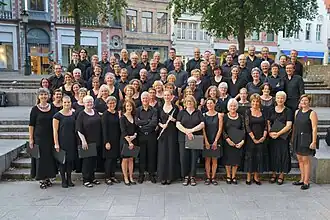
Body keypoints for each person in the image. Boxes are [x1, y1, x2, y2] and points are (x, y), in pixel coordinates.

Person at [29, 88, 57, 189]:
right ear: (38, 97)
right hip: (39, 137)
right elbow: (31, 125)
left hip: (50, 137)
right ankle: (41, 179)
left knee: (49, 157)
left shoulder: (52, 107)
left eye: (45, 94)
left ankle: (49, 178)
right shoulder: (35, 109)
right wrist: (31, 139)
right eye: (42, 95)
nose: (44, 96)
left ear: (48, 96)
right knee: (40, 158)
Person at [176, 95, 205, 186]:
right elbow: (178, 124)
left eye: (191, 102)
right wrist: (187, 132)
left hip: (195, 138)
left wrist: (191, 131)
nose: (189, 103)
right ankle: (185, 176)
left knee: (194, 157)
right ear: (185, 103)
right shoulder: (181, 112)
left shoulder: (198, 112)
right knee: (184, 157)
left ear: (194, 103)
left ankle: (192, 176)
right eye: (187, 102)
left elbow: (202, 124)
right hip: (183, 138)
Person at [292, 95, 318, 190]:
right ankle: (302, 179)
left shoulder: (312, 113)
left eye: (306, 100)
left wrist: (314, 141)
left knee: (306, 160)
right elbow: (295, 126)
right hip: (298, 137)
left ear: (309, 102)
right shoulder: (296, 112)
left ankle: (306, 182)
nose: (304, 102)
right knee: (300, 160)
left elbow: (314, 128)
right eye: (302, 100)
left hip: (306, 138)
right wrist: (293, 138)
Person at [76, 95, 102, 188]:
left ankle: (92, 177)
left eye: (91, 102)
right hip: (87, 141)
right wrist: (83, 141)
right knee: (87, 161)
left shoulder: (95, 112)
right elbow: (79, 129)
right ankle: (86, 179)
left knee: (93, 161)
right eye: (87, 102)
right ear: (84, 103)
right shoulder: (81, 114)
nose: (89, 103)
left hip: (96, 141)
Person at [268, 91, 293, 185]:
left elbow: (289, 125)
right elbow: (268, 122)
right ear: (275, 99)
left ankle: (281, 175)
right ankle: (274, 174)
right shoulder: (271, 109)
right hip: (272, 137)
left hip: (283, 137)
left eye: (282, 98)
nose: (280, 100)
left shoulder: (288, 111)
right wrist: (270, 133)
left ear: (285, 99)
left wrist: (278, 133)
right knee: (273, 154)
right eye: (278, 98)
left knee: (283, 155)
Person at [244, 94, 268, 185]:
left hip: (261, 137)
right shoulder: (248, 112)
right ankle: (248, 177)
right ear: (251, 102)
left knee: (259, 156)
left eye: (257, 101)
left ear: (259, 102)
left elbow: (266, 125)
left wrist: (264, 137)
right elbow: (247, 125)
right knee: (250, 157)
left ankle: (256, 177)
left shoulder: (263, 111)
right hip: (250, 138)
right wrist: (253, 138)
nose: (255, 103)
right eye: (253, 101)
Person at [53, 95, 76, 188]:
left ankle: (69, 179)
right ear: (62, 103)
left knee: (70, 161)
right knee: (63, 162)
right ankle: (63, 180)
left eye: (68, 102)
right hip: (62, 141)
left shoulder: (73, 114)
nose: (67, 104)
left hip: (72, 141)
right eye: (65, 102)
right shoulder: (57, 115)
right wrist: (56, 143)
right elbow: (55, 130)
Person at [135, 92, 158, 184]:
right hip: (141, 136)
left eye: (146, 98)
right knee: (142, 156)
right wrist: (147, 121)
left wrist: (143, 124)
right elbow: (136, 122)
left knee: (151, 155)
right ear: (141, 99)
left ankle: (152, 174)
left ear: (149, 99)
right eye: (143, 98)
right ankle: (141, 174)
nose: (145, 100)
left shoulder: (154, 110)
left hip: (151, 135)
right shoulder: (137, 110)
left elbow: (154, 123)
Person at [157, 90, 179, 185]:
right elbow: (156, 119)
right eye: (165, 95)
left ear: (171, 96)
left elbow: (179, 120)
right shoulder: (159, 107)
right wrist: (161, 125)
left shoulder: (176, 108)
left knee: (171, 153)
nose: (166, 97)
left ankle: (170, 176)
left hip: (172, 132)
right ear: (163, 96)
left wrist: (173, 119)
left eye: (168, 95)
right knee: (163, 154)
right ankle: (162, 176)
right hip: (162, 133)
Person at [222, 98, 245, 184]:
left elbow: (243, 129)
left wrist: (242, 141)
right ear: (228, 107)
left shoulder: (241, 117)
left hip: (238, 142)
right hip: (228, 142)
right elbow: (222, 130)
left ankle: (234, 176)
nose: (233, 107)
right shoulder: (225, 117)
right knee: (228, 159)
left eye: (234, 105)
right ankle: (228, 175)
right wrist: (227, 139)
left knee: (236, 159)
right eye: (231, 106)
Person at [202, 98, 223, 185]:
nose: (209, 105)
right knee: (207, 159)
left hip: (216, 139)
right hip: (207, 139)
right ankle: (208, 177)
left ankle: (213, 177)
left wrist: (215, 141)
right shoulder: (203, 115)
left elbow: (220, 128)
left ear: (214, 104)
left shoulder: (219, 115)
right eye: (208, 104)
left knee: (214, 159)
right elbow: (203, 129)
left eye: (211, 103)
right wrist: (206, 141)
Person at [102, 96, 121, 185]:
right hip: (109, 140)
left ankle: (112, 175)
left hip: (116, 139)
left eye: (113, 103)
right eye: (110, 103)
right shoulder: (105, 114)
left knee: (114, 159)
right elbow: (104, 129)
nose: (112, 105)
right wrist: (106, 142)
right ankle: (107, 177)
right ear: (107, 104)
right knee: (109, 160)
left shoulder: (117, 113)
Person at [120, 99, 138, 186]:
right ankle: (125, 177)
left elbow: (136, 128)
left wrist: (134, 136)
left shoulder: (134, 117)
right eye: (127, 106)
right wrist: (129, 142)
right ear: (125, 107)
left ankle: (131, 177)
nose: (129, 108)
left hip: (133, 140)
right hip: (125, 141)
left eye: (130, 106)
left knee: (131, 159)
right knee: (125, 159)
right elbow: (123, 131)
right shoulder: (122, 118)